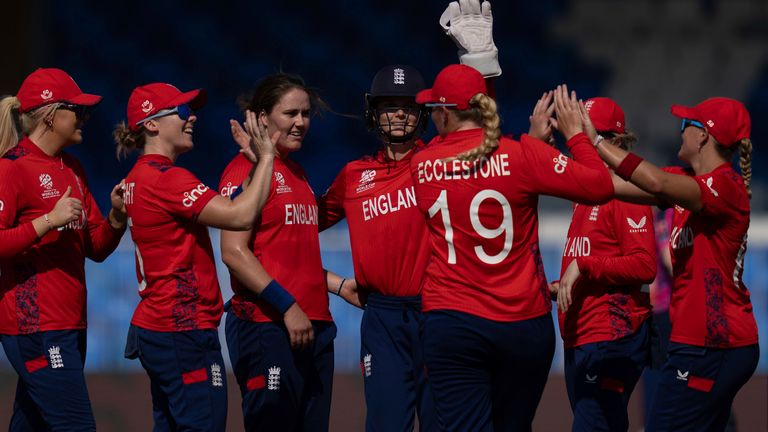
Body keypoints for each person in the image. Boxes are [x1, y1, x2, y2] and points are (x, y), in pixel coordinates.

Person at [410, 66, 614, 431]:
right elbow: (600, 185)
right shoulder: (522, 155)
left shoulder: (422, 163)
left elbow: (466, 156)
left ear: (443, 113)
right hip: (523, 324)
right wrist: (576, 136)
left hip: (453, 320)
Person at [590, 97, 759, 432]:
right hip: (706, 343)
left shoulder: (723, 185)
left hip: (711, 344)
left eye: (687, 125)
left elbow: (655, 182)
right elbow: (613, 184)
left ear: (704, 137)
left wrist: (594, 140)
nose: (679, 132)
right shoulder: (687, 182)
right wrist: (571, 150)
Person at [115, 82, 276, 431]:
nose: (193, 119)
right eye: (183, 112)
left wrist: (252, 170)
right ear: (152, 124)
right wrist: (266, 158)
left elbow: (233, 207)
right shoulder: (166, 179)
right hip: (182, 329)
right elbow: (239, 216)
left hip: (160, 327)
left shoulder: (137, 177)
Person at [0, 67, 127, 431]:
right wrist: (47, 222)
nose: (85, 118)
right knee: (76, 425)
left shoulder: (72, 168)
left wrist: (118, 216)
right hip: (36, 326)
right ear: (52, 114)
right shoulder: (11, 169)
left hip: (70, 323)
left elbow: (96, 246)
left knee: (32, 424)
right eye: (79, 110)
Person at [317, 64, 436, 432]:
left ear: (423, 114)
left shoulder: (439, 163)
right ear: (373, 112)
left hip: (439, 312)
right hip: (382, 318)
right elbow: (296, 228)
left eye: (408, 105)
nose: (399, 113)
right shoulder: (353, 174)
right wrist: (334, 283)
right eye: (389, 104)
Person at [219, 73, 339, 432]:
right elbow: (233, 253)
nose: (301, 122)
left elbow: (287, 256)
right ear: (260, 117)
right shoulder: (244, 170)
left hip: (314, 326)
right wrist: (287, 307)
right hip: (267, 326)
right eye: (290, 113)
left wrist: (335, 284)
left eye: (305, 114)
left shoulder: (298, 174)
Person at [549, 97, 656, 431]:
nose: (574, 143)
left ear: (611, 141)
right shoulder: (588, 193)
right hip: (582, 336)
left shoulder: (626, 193)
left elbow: (644, 265)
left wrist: (584, 266)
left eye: (581, 134)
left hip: (612, 334)